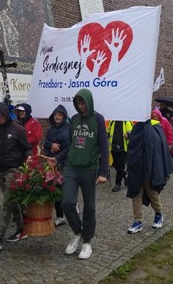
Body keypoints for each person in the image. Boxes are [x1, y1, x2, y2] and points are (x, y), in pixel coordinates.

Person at [49, 89, 109, 260]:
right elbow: (71, 144)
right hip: (72, 167)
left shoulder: (98, 119)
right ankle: (77, 232)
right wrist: (57, 158)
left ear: (89, 102)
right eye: (78, 103)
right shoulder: (74, 120)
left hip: (90, 168)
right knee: (67, 201)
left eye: (83, 103)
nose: (81, 106)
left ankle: (87, 241)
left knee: (89, 206)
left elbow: (104, 146)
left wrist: (104, 171)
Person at [0, 102, 32, 252]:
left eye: (1, 115)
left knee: (6, 203)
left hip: (13, 169)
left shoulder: (17, 129)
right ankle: (21, 229)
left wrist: (29, 157)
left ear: (6, 114)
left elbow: (27, 148)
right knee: (12, 202)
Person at [125, 118, 173, 234]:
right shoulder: (136, 128)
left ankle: (158, 213)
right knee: (136, 193)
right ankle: (138, 221)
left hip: (150, 168)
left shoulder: (156, 127)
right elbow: (133, 146)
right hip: (136, 167)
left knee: (152, 193)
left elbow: (158, 149)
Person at [43, 105, 71, 227]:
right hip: (51, 162)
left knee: (63, 190)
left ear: (64, 116)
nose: (57, 117)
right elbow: (46, 143)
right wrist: (52, 146)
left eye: (59, 115)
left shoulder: (69, 128)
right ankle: (59, 216)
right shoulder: (51, 129)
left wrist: (58, 154)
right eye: (55, 115)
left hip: (64, 162)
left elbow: (69, 145)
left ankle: (69, 210)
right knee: (54, 189)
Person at [107, 120, 133, 192]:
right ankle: (125, 175)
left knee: (120, 166)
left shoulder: (126, 122)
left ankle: (117, 184)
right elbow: (107, 132)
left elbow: (132, 134)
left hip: (123, 149)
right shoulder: (112, 122)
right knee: (115, 165)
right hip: (113, 148)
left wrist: (127, 136)